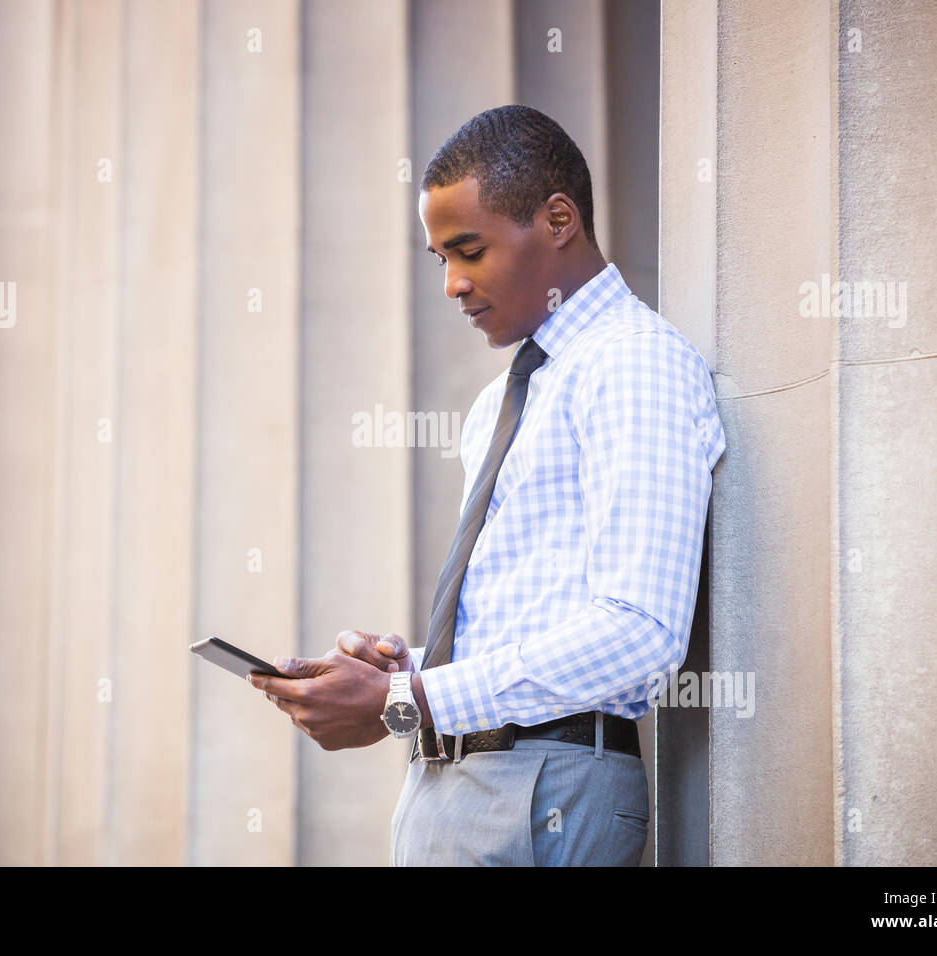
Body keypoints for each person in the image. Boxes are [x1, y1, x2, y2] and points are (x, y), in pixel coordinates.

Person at [246, 104, 725, 866]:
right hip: (453, 787)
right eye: (439, 258)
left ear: (559, 219)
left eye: (468, 250)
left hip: (544, 792)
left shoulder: (634, 364)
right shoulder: (501, 403)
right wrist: (402, 679)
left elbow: (640, 633)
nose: (451, 285)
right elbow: (531, 616)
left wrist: (413, 701)